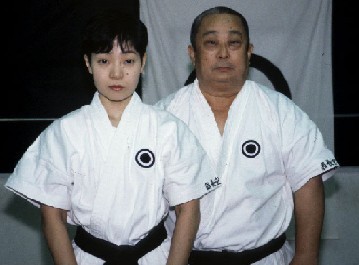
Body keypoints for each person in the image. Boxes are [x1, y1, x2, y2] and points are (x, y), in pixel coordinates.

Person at [4, 9, 220, 265]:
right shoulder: (64, 132)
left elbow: (188, 210)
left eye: (128, 61)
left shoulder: (168, 129)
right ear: (88, 63)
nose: (117, 73)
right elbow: (53, 216)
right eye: (104, 61)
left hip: (154, 257)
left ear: (143, 62)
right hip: (88, 258)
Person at [156, 6, 339, 265]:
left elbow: (308, 182)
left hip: (265, 258)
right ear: (192, 53)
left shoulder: (281, 111)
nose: (223, 53)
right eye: (211, 43)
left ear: (248, 51)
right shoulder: (164, 116)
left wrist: (306, 256)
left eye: (234, 42)